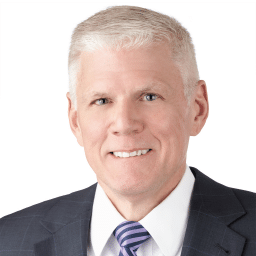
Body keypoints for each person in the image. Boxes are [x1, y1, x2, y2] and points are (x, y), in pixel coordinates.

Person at [0, 5, 255, 256]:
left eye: (149, 96)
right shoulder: (7, 241)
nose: (124, 124)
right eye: (101, 101)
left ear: (197, 109)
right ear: (75, 120)